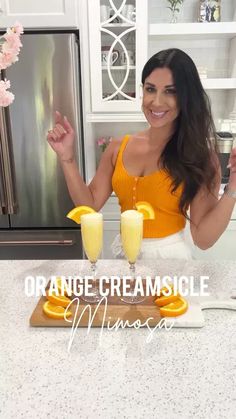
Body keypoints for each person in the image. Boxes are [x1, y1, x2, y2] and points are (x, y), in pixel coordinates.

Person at [47, 48, 236, 260]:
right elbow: (89, 207)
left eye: (170, 91)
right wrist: (67, 158)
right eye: (150, 89)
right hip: (124, 259)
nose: (156, 101)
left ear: (186, 98)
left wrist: (233, 188)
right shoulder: (118, 147)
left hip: (171, 263)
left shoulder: (200, 158)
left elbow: (203, 239)